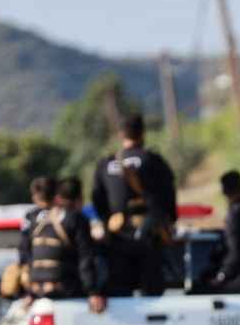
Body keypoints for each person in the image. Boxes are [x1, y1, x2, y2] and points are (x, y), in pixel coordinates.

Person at [91, 115, 177, 296]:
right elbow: (168, 198)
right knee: (152, 294)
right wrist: (168, 220)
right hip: (149, 237)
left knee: (120, 292)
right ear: (143, 133)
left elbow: (97, 200)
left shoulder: (106, 163)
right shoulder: (153, 161)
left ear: (121, 134)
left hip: (117, 239)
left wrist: (108, 222)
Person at [26, 177, 107, 314]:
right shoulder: (76, 218)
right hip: (63, 289)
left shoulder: (35, 217)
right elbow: (85, 257)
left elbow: (29, 254)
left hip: (35, 289)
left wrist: (29, 292)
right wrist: (93, 292)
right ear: (79, 199)